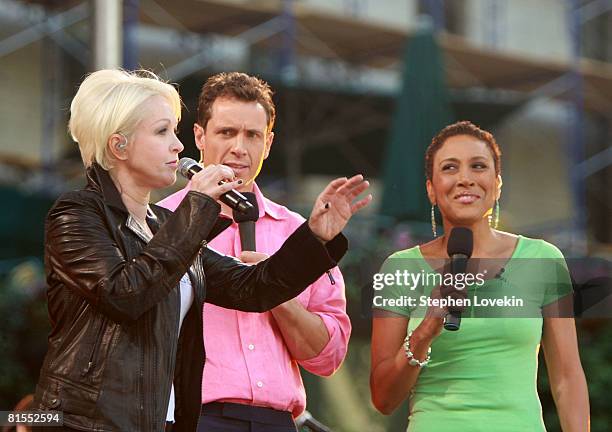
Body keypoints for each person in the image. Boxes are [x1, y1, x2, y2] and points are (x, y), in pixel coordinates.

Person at [31, 69, 371, 432]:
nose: (178, 147)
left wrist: (315, 236)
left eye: (174, 133)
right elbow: (124, 293)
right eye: (163, 132)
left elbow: (254, 288)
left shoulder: (164, 226)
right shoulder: (77, 214)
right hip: (86, 423)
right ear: (120, 146)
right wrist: (196, 207)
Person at [158, 72, 350, 432]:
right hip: (191, 418)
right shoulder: (160, 223)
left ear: (269, 142)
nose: (239, 148)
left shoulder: (300, 233)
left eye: (252, 135)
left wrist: (275, 291)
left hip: (276, 420)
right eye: (226, 132)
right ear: (199, 136)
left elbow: (328, 357)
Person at [370, 121, 589, 431]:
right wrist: (424, 333)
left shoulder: (543, 259)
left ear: (497, 184)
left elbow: (567, 378)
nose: (465, 179)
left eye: (478, 166)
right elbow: (383, 398)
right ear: (431, 189)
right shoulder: (400, 269)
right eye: (449, 168)